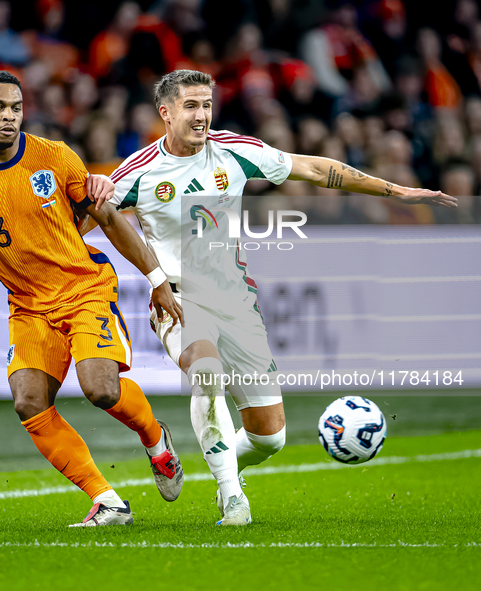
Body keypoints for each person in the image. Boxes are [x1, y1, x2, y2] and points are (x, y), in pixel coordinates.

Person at [98, 69, 457, 526]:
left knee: (270, 438)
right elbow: (95, 219)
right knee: (206, 372)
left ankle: (226, 467)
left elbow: (314, 168)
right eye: (191, 106)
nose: (202, 114)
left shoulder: (235, 151)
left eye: (206, 104)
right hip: (180, 299)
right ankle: (232, 500)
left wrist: (397, 191)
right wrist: (151, 277)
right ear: (164, 113)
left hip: (235, 301)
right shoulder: (139, 171)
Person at [0, 70, 185, 527]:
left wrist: (156, 278)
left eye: (16, 108)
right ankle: (108, 500)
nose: (9, 116)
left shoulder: (55, 157)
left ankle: (156, 440)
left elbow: (110, 218)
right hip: (28, 305)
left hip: (84, 288)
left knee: (100, 389)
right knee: (28, 401)